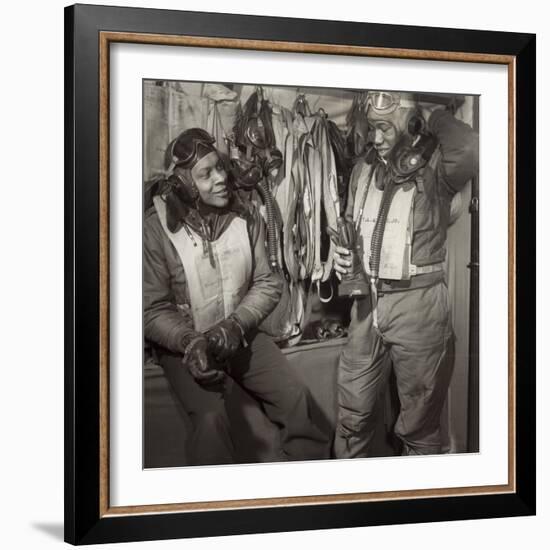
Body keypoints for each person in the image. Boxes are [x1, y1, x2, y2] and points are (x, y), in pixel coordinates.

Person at [144, 128, 330, 465]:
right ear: (184, 185)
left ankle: (306, 494)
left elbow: (268, 282)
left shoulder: (245, 215)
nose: (220, 179)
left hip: (237, 332)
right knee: (211, 421)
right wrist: (190, 342)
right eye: (206, 175)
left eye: (220, 168)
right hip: (186, 344)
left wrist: (235, 325)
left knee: (297, 399)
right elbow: (151, 309)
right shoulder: (155, 231)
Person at [332, 91, 478, 457]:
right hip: (366, 305)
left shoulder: (436, 167)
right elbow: (350, 222)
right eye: (371, 129)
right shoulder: (363, 169)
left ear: (408, 124)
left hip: (419, 306)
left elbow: (471, 147)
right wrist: (342, 257)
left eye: (384, 128)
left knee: (419, 426)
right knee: (353, 417)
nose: (375, 138)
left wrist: (427, 116)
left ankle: (416, 506)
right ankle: (346, 504)